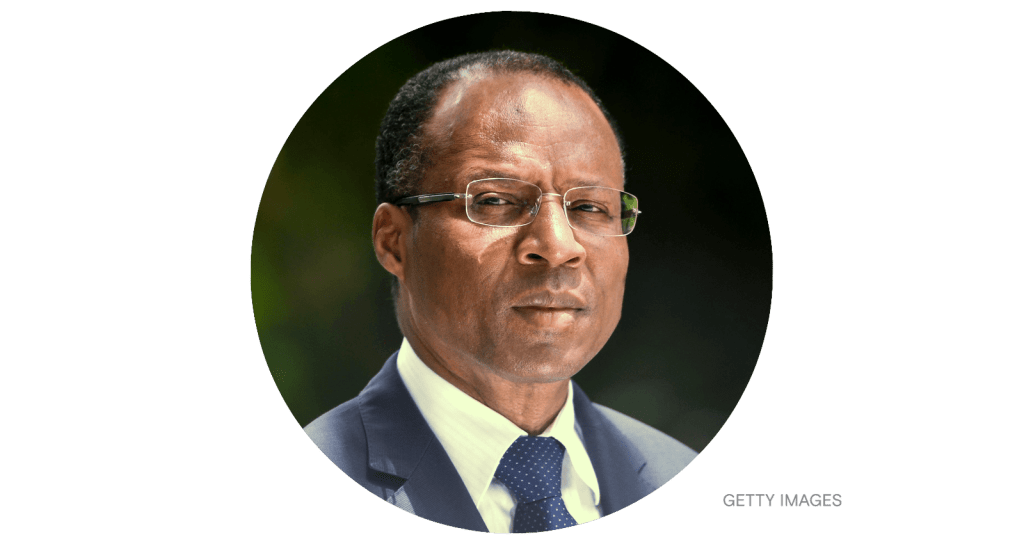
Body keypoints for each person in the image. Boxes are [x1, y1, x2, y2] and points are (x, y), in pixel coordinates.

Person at [304, 50, 697, 533]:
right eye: (495, 200)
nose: (558, 247)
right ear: (394, 242)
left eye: (590, 208)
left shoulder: (680, 476)